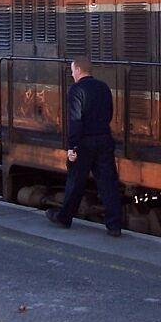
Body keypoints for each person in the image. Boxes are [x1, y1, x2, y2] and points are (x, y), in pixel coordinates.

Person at [46, 56, 122, 237]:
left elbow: (75, 120)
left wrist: (72, 147)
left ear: (79, 70)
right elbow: (110, 113)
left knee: (76, 181)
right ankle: (114, 225)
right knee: (108, 183)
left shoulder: (76, 89)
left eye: (72, 70)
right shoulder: (103, 87)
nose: (72, 74)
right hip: (104, 139)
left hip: (84, 142)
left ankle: (64, 217)